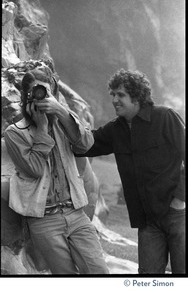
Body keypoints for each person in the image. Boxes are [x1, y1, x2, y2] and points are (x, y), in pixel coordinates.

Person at [74, 69, 185, 274]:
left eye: (121, 95)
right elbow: (85, 144)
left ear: (137, 97)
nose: (115, 99)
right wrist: (55, 122)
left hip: (178, 215)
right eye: (113, 94)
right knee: (148, 279)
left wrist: (180, 199)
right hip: (147, 221)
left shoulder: (165, 117)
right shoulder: (115, 129)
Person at [4, 64, 109, 275]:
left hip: (77, 213)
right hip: (44, 221)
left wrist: (60, 110)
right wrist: (42, 129)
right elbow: (33, 168)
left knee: (99, 272)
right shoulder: (15, 133)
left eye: (45, 91)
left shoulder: (65, 121)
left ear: (53, 92)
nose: (40, 97)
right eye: (35, 91)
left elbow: (86, 144)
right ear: (26, 95)